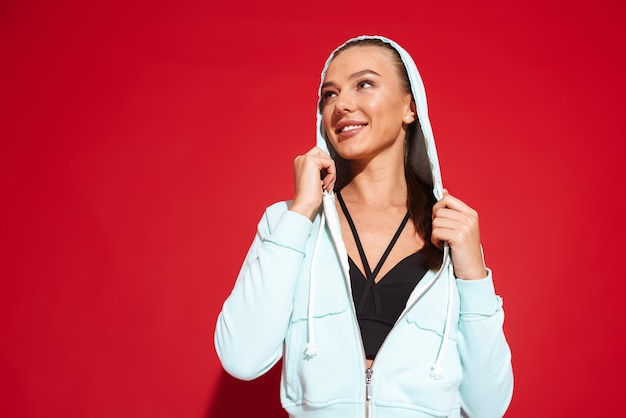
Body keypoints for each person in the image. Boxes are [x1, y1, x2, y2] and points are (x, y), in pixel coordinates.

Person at [214, 35, 513, 417]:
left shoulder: (452, 231)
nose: (342, 104)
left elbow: (489, 406)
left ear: (410, 107)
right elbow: (242, 357)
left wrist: (474, 275)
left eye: (364, 84)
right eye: (329, 94)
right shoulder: (290, 222)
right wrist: (302, 210)